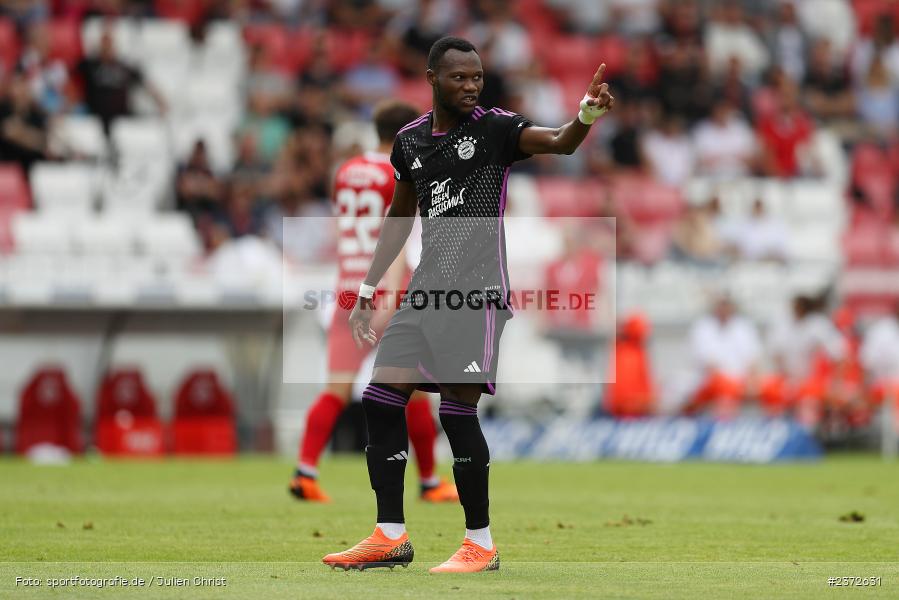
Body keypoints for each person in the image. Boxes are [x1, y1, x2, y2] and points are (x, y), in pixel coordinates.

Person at [321, 36, 613, 573]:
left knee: (457, 412)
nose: (471, 86)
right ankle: (390, 535)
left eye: (477, 78)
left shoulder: (496, 129)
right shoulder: (409, 142)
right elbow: (400, 216)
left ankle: (480, 543)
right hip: (425, 291)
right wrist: (367, 289)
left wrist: (586, 114)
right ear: (432, 78)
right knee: (382, 398)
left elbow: (561, 143)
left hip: (475, 295)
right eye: (459, 78)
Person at [288, 100, 458, 504]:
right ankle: (430, 481)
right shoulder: (404, 171)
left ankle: (305, 472)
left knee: (336, 388)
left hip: (347, 285)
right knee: (415, 388)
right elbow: (397, 237)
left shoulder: (345, 172)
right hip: (387, 289)